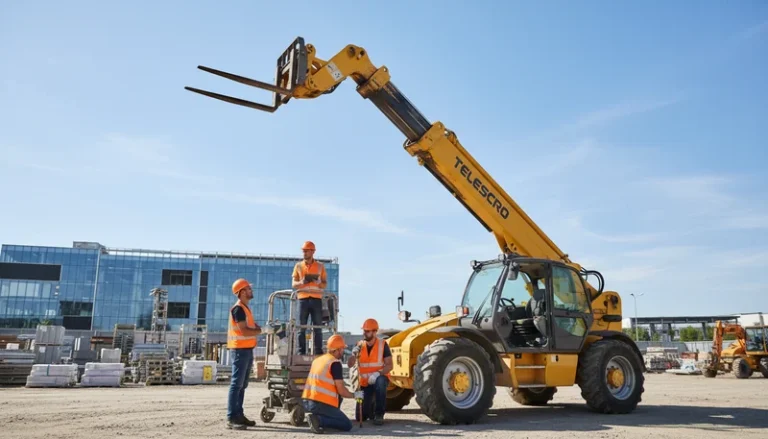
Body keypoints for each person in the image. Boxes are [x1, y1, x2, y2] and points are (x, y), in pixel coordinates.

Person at [302, 334, 362, 434]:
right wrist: (355, 395)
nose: (343, 351)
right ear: (337, 350)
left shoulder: (317, 360)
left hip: (308, 402)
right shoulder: (335, 363)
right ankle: (318, 420)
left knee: (339, 399)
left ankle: (320, 417)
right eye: (342, 349)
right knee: (346, 424)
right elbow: (341, 391)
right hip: (320, 403)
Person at [226, 278, 262, 430]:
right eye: (248, 288)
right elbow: (245, 331)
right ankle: (231, 417)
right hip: (240, 350)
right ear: (241, 292)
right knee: (237, 384)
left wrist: (260, 329)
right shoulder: (238, 309)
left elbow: (251, 327)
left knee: (242, 385)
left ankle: (239, 415)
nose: (250, 290)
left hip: (246, 350)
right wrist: (261, 331)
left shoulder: (245, 309)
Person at [347, 318, 392, 425]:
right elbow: (350, 364)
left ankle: (379, 414)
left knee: (380, 381)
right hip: (364, 384)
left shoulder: (383, 344)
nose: (364, 333)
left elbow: (390, 365)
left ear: (375, 332)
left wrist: (377, 374)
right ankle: (371, 406)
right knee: (360, 417)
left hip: (378, 379)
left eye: (367, 331)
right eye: (364, 331)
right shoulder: (359, 344)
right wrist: (353, 355)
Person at [292, 240, 328, 356]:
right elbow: (293, 284)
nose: (304, 253)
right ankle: (301, 352)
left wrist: (318, 283)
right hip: (302, 299)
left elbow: (324, 284)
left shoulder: (320, 266)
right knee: (301, 327)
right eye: (303, 251)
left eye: (306, 251)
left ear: (313, 252)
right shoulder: (298, 266)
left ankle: (318, 352)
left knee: (318, 327)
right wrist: (302, 282)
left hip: (316, 299)